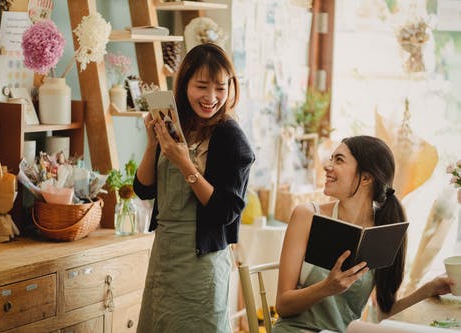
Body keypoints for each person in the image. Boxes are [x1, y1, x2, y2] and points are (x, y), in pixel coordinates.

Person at [273, 135, 453, 333]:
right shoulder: (307, 216)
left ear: (366, 178)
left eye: (338, 160)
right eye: (331, 158)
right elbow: (283, 305)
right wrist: (327, 287)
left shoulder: (382, 232)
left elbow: (385, 313)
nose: (327, 166)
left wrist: (429, 289)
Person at [134, 43, 255, 333]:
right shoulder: (177, 126)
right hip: (164, 254)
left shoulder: (230, 138)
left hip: (201, 264)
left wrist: (185, 165)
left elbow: (225, 211)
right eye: (202, 86)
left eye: (220, 88)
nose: (211, 98)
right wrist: (153, 145)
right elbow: (144, 189)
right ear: (184, 84)